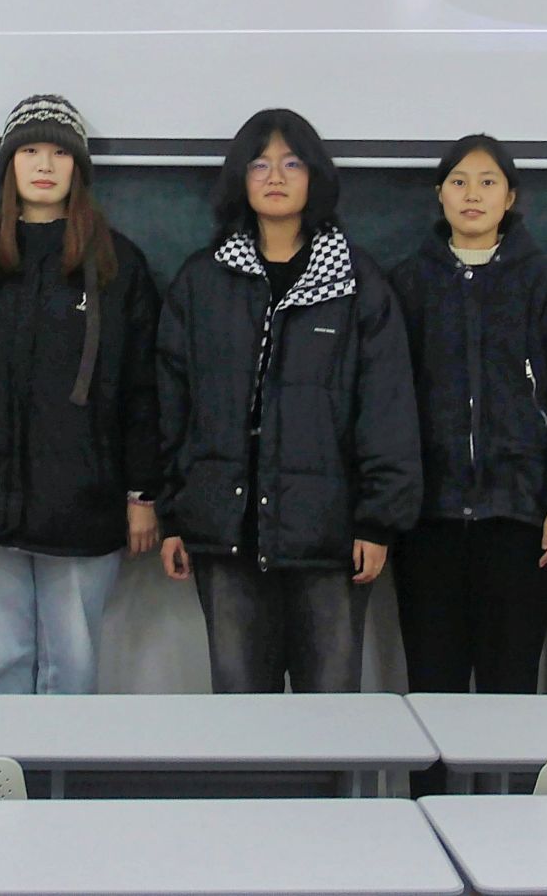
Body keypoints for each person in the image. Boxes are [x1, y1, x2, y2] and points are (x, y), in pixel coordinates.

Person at [157, 108, 419, 693]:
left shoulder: (357, 282)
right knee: (241, 709)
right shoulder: (203, 281)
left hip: (330, 536)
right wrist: (173, 515)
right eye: (260, 164)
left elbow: (387, 409)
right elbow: (172, 407)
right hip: (226, 530)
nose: (275, 177)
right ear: (240, 178)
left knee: (328, 712)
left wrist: (378, 521)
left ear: (314, 177)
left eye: (292, 163)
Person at [0, 95, 159, 694]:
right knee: (0, 662)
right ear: (8, 165)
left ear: (78, 168)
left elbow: (143, 386)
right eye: (29, 151)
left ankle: (64, 764)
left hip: (84, 502)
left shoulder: (116, 265)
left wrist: (143, 492)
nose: (44, 165)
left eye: (59, 153)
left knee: (72, 666)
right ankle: (3, 763)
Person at [388, 134, 547, 702]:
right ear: (439, 195)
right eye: (459, 182)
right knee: (433, 688)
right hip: (427, 520)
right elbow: (385, 403)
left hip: (519, 517)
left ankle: (506, 773)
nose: (472, 195)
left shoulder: (545, 283)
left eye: (488, 182)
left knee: (511, 688)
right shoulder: (407, 283)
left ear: (510, 198)